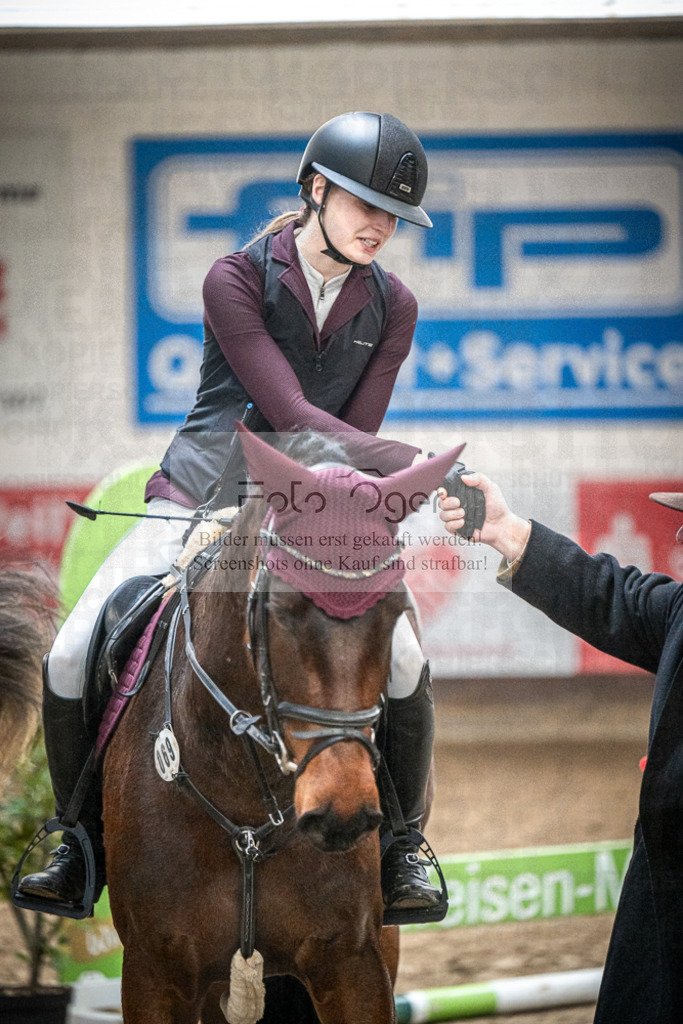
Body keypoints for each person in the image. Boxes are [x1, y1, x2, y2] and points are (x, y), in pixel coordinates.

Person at [19, 111, 444, 917]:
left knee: (406, 662)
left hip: (311, 506)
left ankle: (404, 849)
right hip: (202, 493)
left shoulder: (396, 305)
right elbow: (282, 409)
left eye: (393, 216)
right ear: (316, 191)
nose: (380, 227)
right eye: (365, 206)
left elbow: (356, 433)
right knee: (73, 650)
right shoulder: (234, 277)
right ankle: (74, 840)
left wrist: (386, 469)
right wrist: (410, 466)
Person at [438, 473, 683, 1024]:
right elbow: (606, 593)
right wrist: (506, 530)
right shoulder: (680, 613)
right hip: (664, 895)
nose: (681, 536)